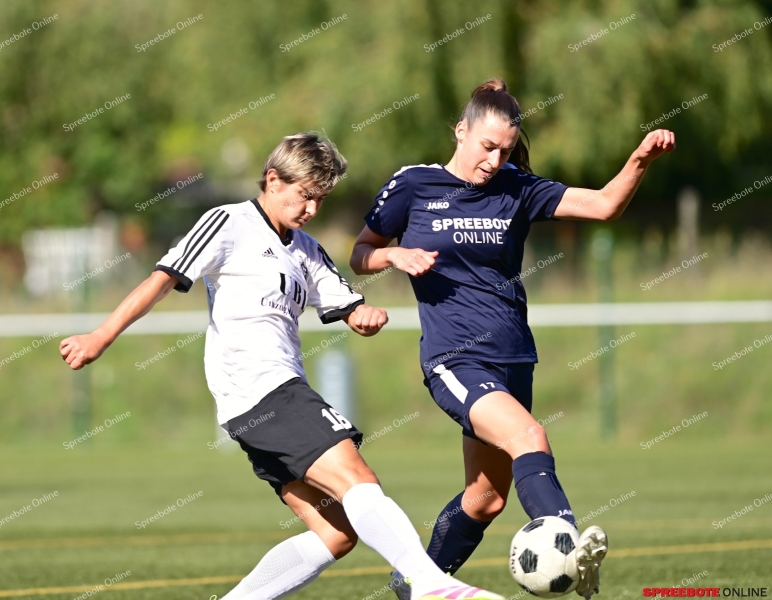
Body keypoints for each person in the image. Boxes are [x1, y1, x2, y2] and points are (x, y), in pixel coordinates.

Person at [59, 133, 508, 600]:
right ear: (273, 180)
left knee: (336, 532)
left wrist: (363, 315)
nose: (312, 208)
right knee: (358, 478)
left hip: (260, 402)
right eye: (305, 195)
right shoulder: (227, 223)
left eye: (321, 199)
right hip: (265, 390)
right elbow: (159, 281)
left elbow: (344, 302)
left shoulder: (306, 249)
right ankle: (431, 585)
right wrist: (99, 336)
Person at [350, 79, 676, 600]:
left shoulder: (517, 187)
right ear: (461, 131)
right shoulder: (414, 185)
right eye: (486, 146)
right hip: (455, 359)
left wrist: (639, 159)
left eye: (504, 150)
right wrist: (393, 256)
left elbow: (603, 206)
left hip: (513, 357)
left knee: (485, 500)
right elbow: (360, 251)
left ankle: (412, 584)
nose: (494, 159)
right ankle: (567, 543)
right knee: (530, 437)